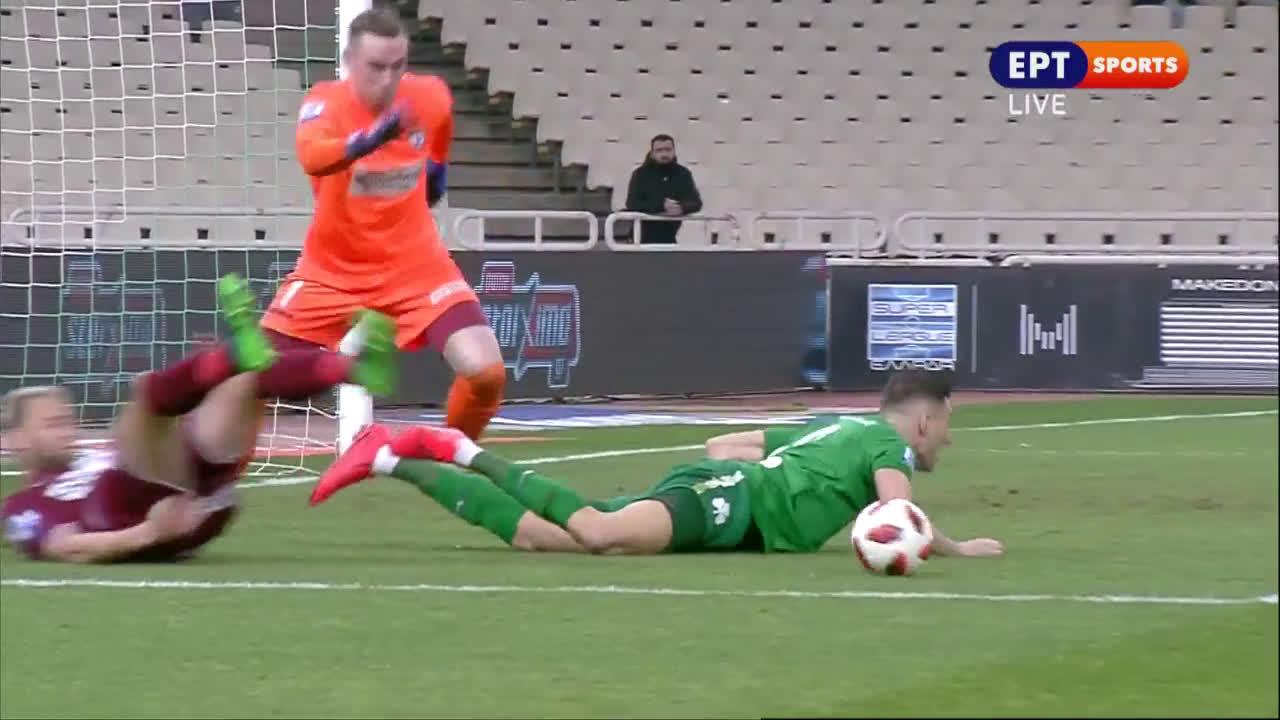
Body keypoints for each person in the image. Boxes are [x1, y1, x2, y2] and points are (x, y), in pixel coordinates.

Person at [309, 370, 1004, 559]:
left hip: (727, 499)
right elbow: (896, 510)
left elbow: (722, 446)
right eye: (946, 427)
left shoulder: (837, 426)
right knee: (597, 533)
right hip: (730, 505)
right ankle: (455, 449)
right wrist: (956, 548)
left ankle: (390, 460)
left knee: (540, 536)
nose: (945, 442)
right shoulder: (887, 445)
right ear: (924, 419)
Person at [0, 275, 396, 563]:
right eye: (51, 424)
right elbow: (63, 546)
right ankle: (229, 355)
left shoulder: (91, 458)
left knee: (243, 383)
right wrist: (148, 533)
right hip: (131, 518)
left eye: (66, 420)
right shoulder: (22, 505)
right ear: (15, 438)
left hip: (195, 492)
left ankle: (351, 369)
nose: (67, 431)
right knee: (145, 396)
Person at [261, 7, 505, 441]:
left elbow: (439, 144)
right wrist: (372, 138)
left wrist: (436, 173)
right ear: (349, 62)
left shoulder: (429, 97)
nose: (388, 78)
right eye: (376, 67)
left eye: (398, 66)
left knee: (486, 373)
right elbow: (313, 156)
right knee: (254, 375)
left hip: (416, 268)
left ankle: (449, 459)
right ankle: (350, 368)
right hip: (332, 271)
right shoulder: (324, 102)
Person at [623, 134, 703, 245]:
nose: (664, 154)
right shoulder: (640, 174)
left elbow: (696, 202)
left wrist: (681, 207)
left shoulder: (683, 174)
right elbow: (632, 203)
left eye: (668, 149)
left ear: (674, 151)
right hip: (640, 240)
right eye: (659, 150)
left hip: (669, 239)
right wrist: (662, 206)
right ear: (652, 153)